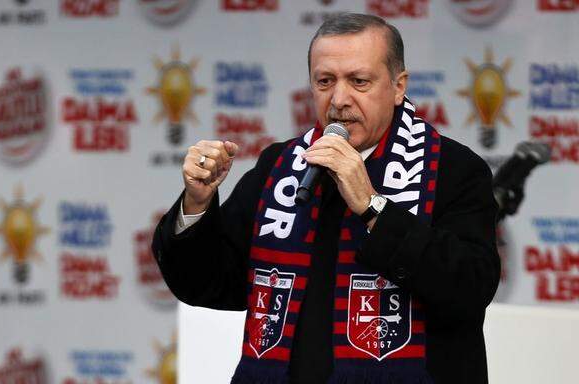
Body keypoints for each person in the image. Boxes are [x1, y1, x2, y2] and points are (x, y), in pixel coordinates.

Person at [153, 13, 500, 384]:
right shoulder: (281, 166)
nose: (338, 99)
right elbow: (208, 284)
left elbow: (470, 288)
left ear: (399, 86)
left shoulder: (453, 168)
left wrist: (373, 207)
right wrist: (197, 204)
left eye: (359, 81)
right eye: (325, 81)